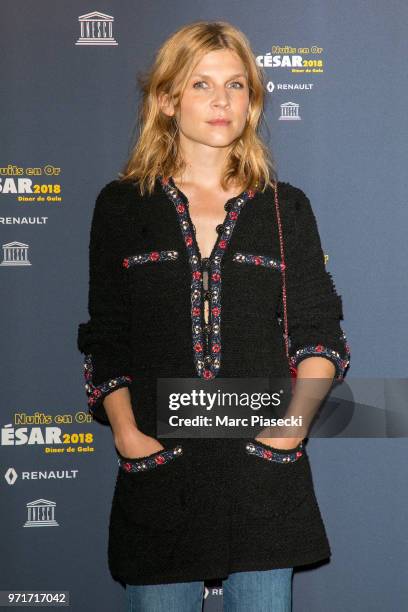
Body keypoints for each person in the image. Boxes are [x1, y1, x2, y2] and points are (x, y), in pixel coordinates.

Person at [77, 20, 350, 612]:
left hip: (260, 470)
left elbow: (319, 332)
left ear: (252, 99)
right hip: (160, 466)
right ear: (168, 98)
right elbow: (107, 336)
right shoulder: (122, 206)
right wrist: (127, 434)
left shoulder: (285, 207)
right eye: (201, 84)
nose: (221, 101)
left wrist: (292, 427)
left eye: (236, 85)